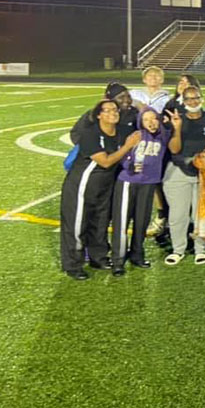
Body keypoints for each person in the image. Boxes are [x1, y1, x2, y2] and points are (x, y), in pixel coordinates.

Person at [60, 100, 141, 280]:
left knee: (100, 222)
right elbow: (105, 162)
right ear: (99, 115)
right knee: (76, 224)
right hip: (82, 185)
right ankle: (73, 264)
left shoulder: (121, 131)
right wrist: (128, 146)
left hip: (105, 186)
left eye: (115, 109)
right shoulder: (90, 134)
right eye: (108, 110)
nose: (113, 112)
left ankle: (98, 257)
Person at [163, 86, 205, 266]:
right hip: (178, 171)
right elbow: (174, 149)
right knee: (178, 214)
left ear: (201, 98)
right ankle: (178, 249)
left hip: (204, 172)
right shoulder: (177, 119)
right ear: (183, 101)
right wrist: (177, 128)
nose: (192, 102)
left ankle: (200, 249)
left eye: (195, 98)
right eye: (188, 99)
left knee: (202, 214)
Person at [111, 106, 171, 275]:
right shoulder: (136, 135)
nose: (151, 123)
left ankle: (137, 254)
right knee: (122, 221)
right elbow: (123, 153)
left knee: (141, 221)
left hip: (149, 183)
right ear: (140, 122)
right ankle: (118, 259)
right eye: (146, 120)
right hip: (128, 182)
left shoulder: (164, 136)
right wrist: (127, 164)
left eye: (154, 119)